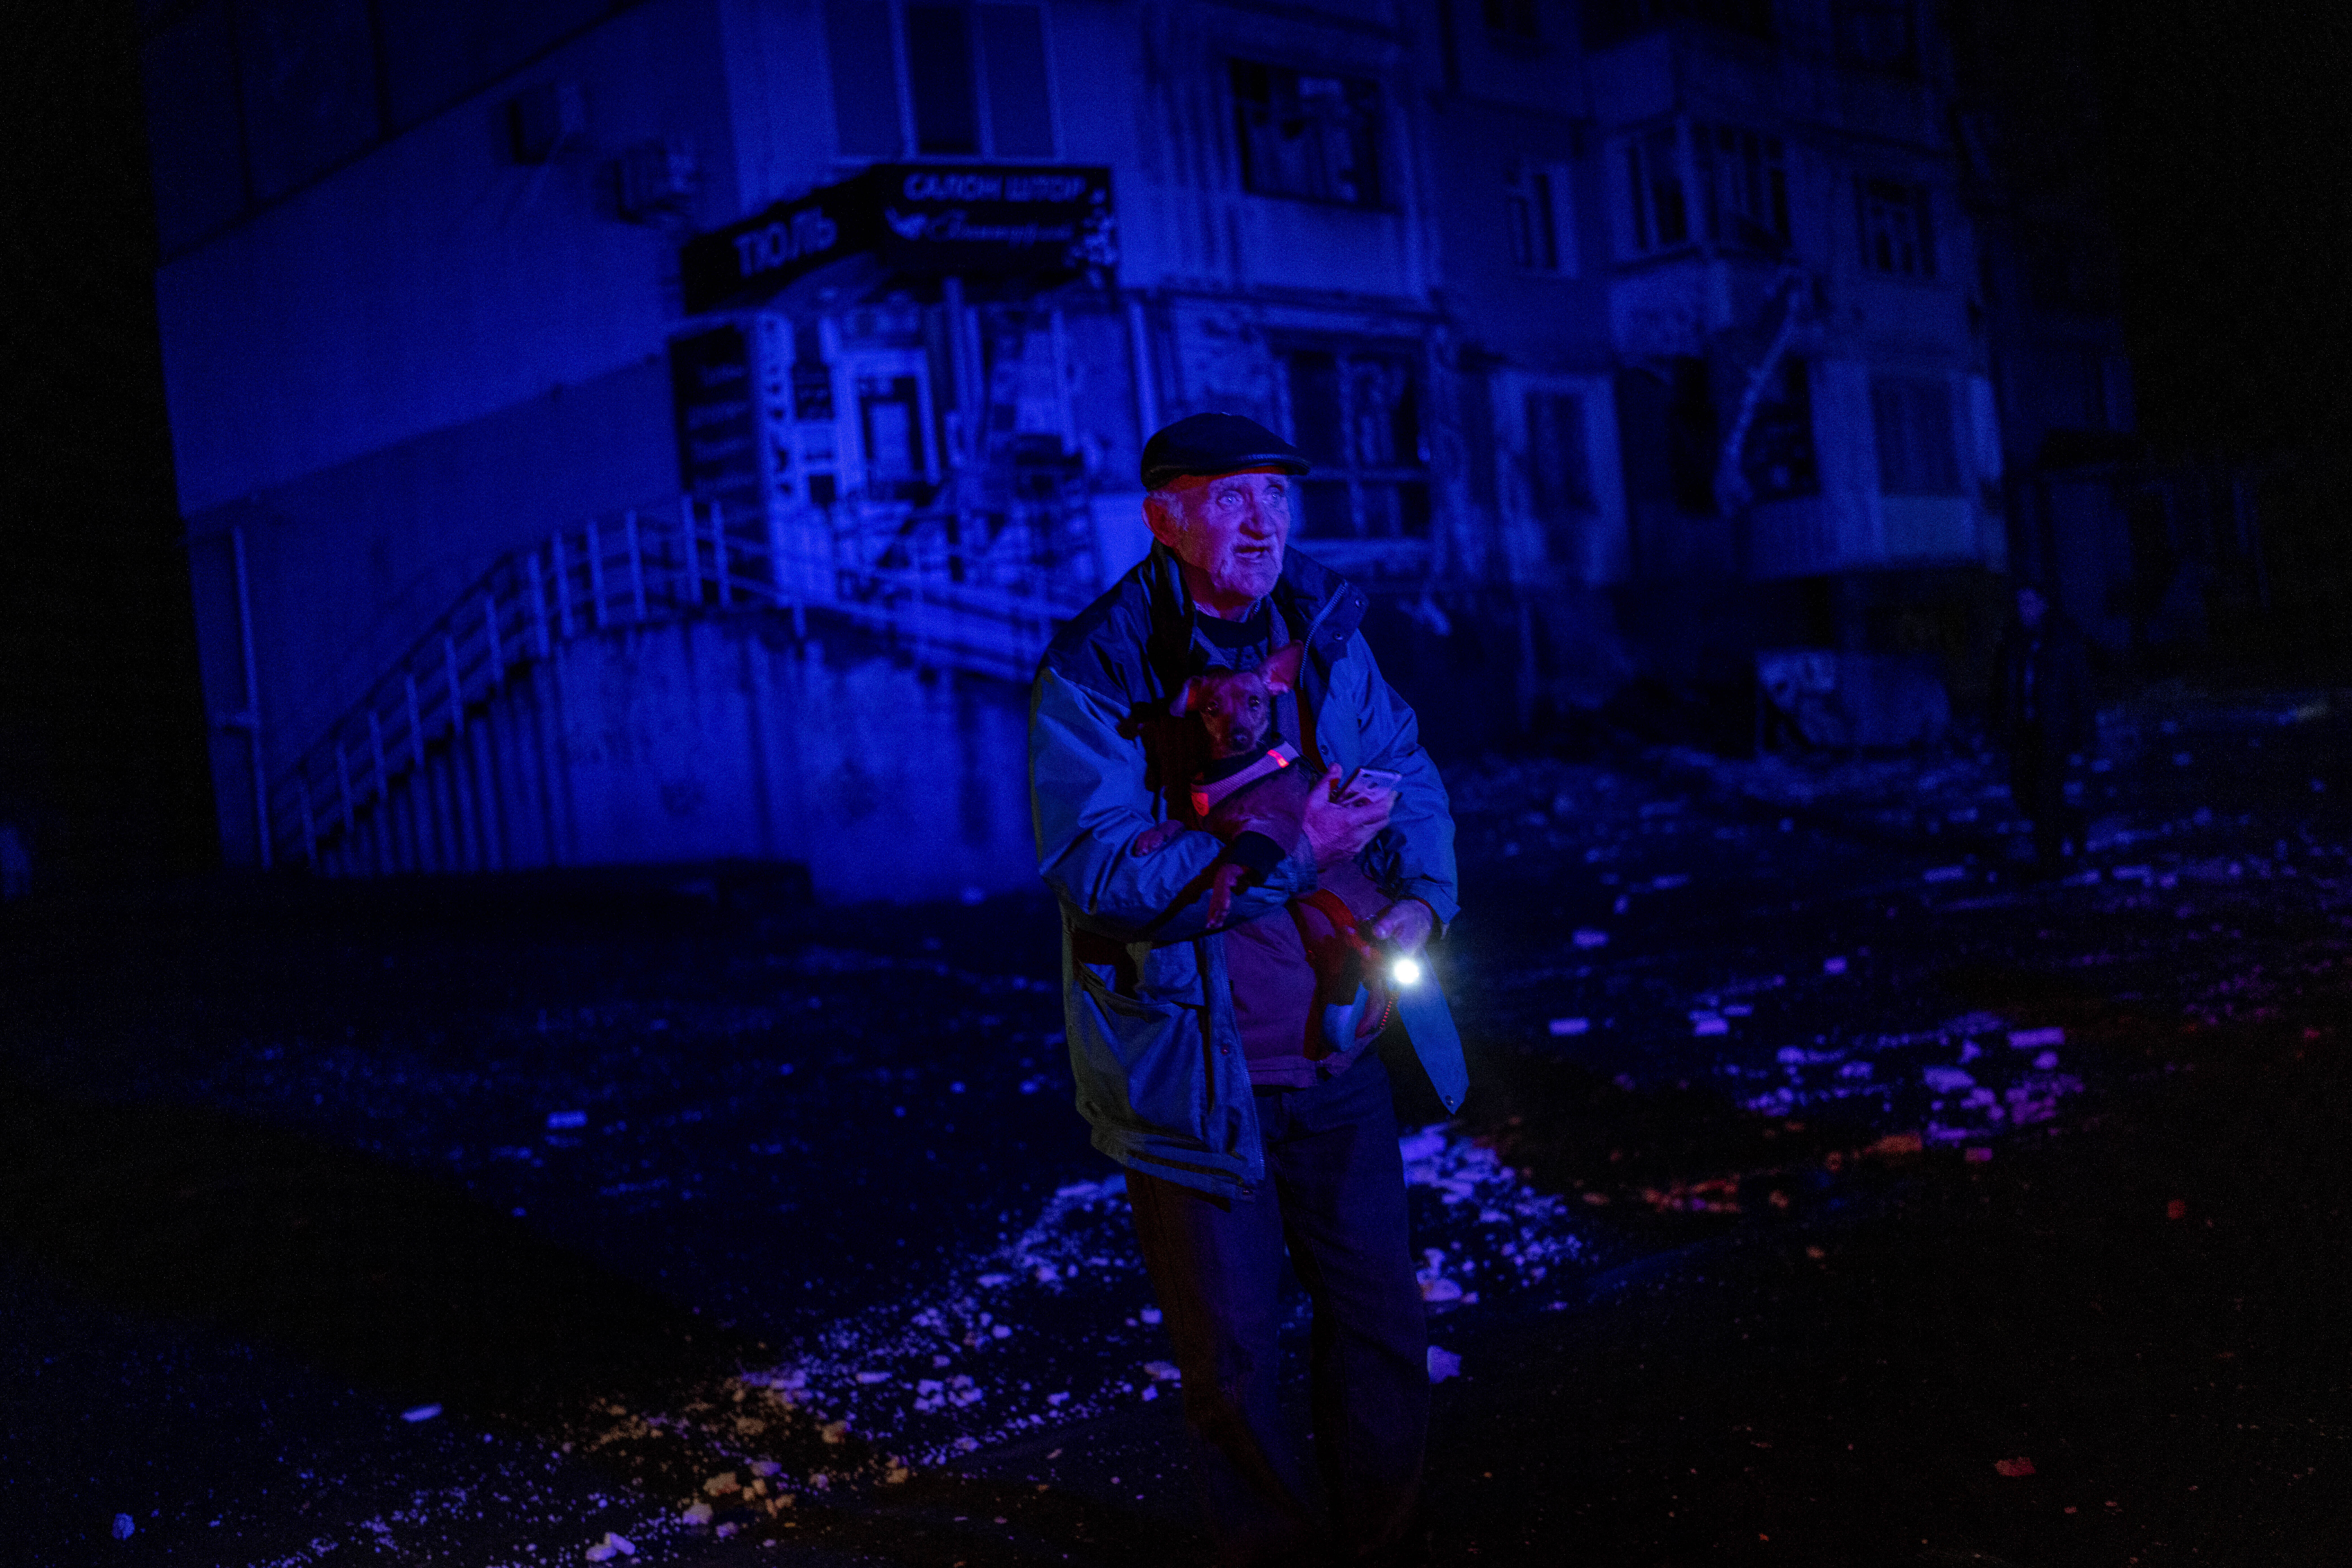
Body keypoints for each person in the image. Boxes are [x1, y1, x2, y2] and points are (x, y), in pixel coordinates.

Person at [1029, 412, 1460, 1565]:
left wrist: (1420, 900)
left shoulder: (1324, 627)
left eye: (1277, 494)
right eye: (1230, 497)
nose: (1263, 519)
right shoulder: (1101, 665)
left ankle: (1382, 1541)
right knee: (1233, 1366)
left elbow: (1407, 769)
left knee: (1380, 1327)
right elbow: (1099, 868)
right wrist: (1296, 843)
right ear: (1163, 515)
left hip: (1341, 1049)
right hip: (1196, 1079)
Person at [1991, 583, 2094, 866]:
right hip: (2023, 732)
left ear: (2043, 604)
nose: (2023, 610)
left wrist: (2086, 736)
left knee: (2046, 796)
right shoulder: (2014, 641)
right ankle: (2070, 821)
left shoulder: (2064, 638)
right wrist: (1998, 728)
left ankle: (2050, 861)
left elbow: (2082, 689)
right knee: (2024, 795)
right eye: (2020, 604)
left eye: (2029, 603)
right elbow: (2002, 688)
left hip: (2053, 731)